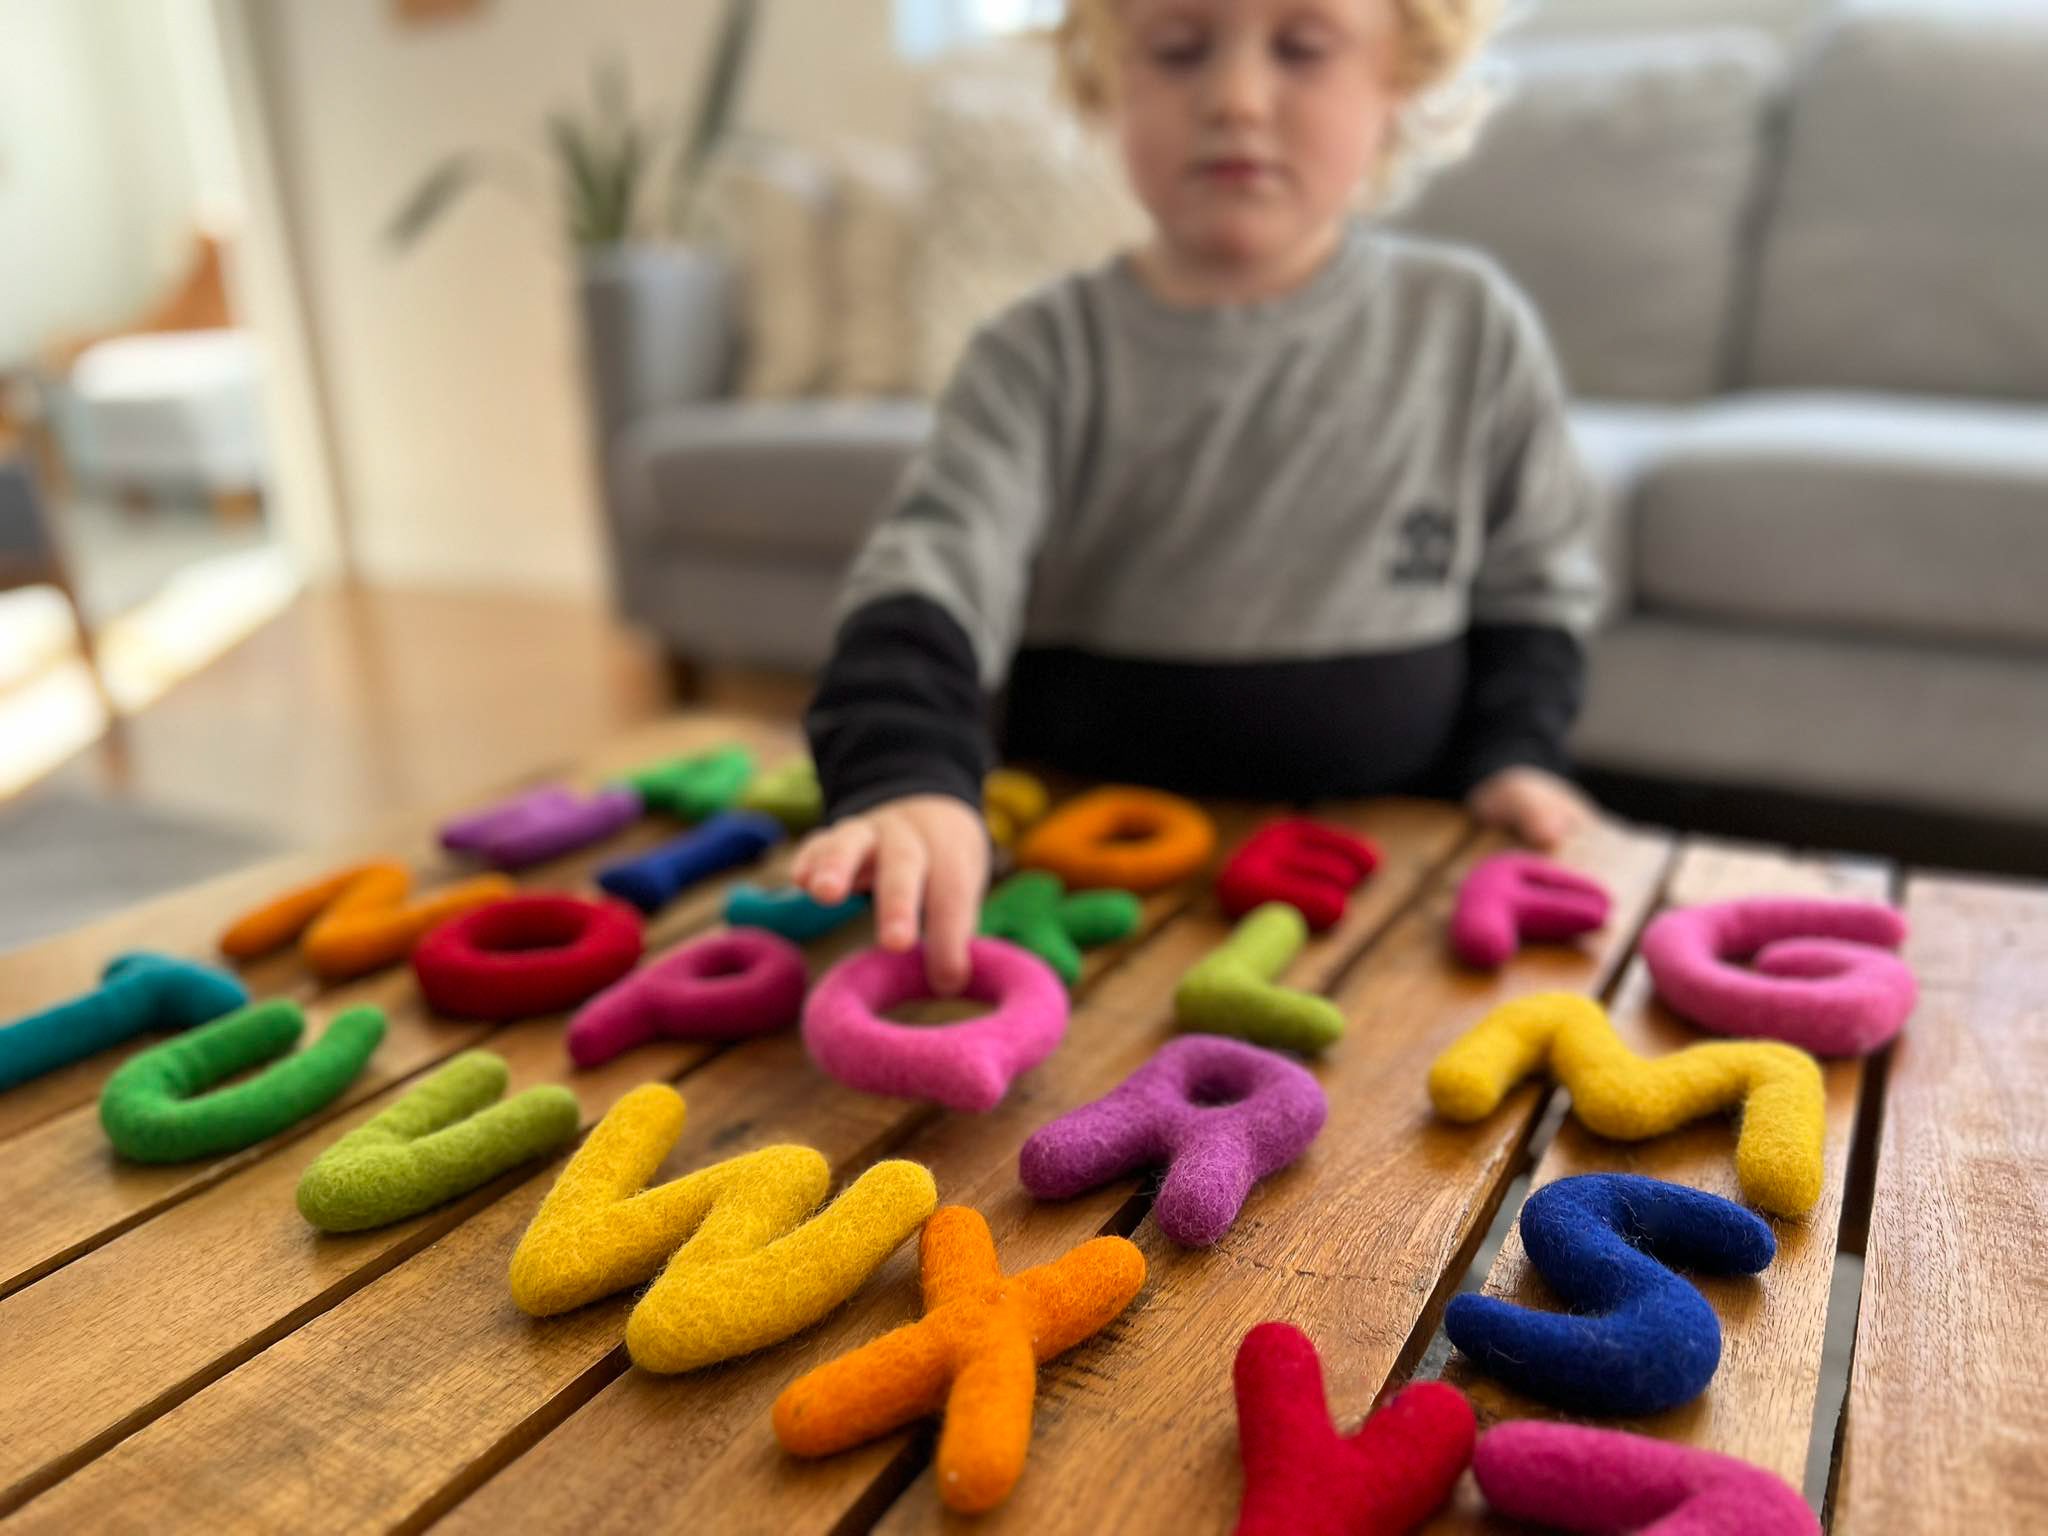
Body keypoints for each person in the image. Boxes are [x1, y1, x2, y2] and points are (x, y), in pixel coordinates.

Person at [795, 0, 1602, 994]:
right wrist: (904, 770)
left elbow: (1533, 584)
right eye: (1177, 50)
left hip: (1384, 876)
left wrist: (1516, 752)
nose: (1233, 98)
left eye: (1301, 48)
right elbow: (929, 567)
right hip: (1072, 876)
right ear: (1103, 79)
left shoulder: (1466, 326)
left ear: (1402, 78)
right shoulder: (1034, 354)